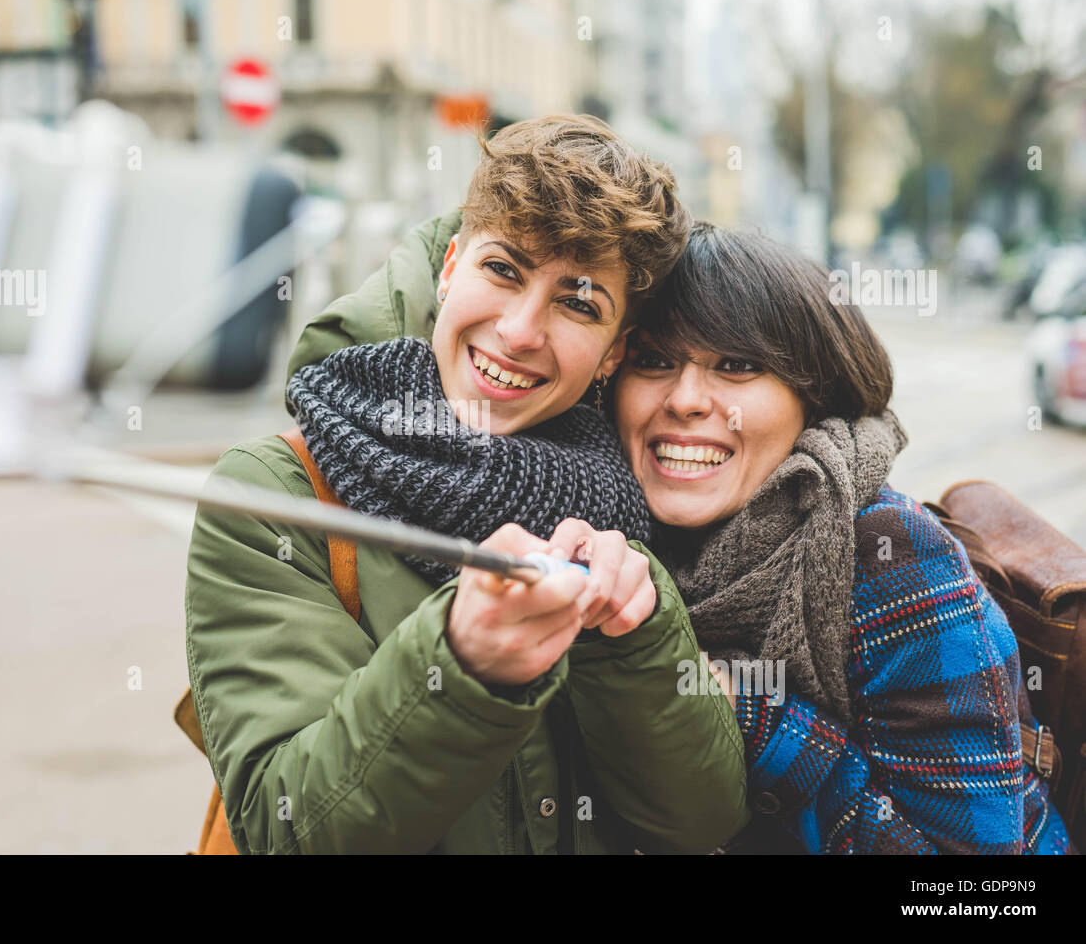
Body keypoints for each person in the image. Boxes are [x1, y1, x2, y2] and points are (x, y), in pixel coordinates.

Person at [185, 116, 749, 854]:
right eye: (504, 269)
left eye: (578, 303)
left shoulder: (633, 496)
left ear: (614, 353)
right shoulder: (273, 495)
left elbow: (699, 820)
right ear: (449, 265)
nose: (519, 330)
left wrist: (631, 638)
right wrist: (459, 664)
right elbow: (283, 828)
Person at [600, 222, 1073, 854]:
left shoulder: (892, 557)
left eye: (738, 366)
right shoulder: (609, 531)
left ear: (814, 397)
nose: (685, 399)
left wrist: (753, 719)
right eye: (654, 362)